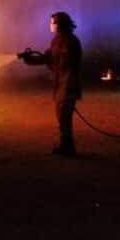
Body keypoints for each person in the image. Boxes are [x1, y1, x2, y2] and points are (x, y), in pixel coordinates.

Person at [18, 11, 83, 156]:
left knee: (64, 117)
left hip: (69, 84)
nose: (50, 25)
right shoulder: (57, 41)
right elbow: (47, 57)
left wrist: (50, 61)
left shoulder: (71, 42)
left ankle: (68, 148)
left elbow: (62, 62)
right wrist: (29, 59)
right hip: (60, 85)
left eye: (53, 22)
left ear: (60, 25)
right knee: (61, 116)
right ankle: (65, 145)